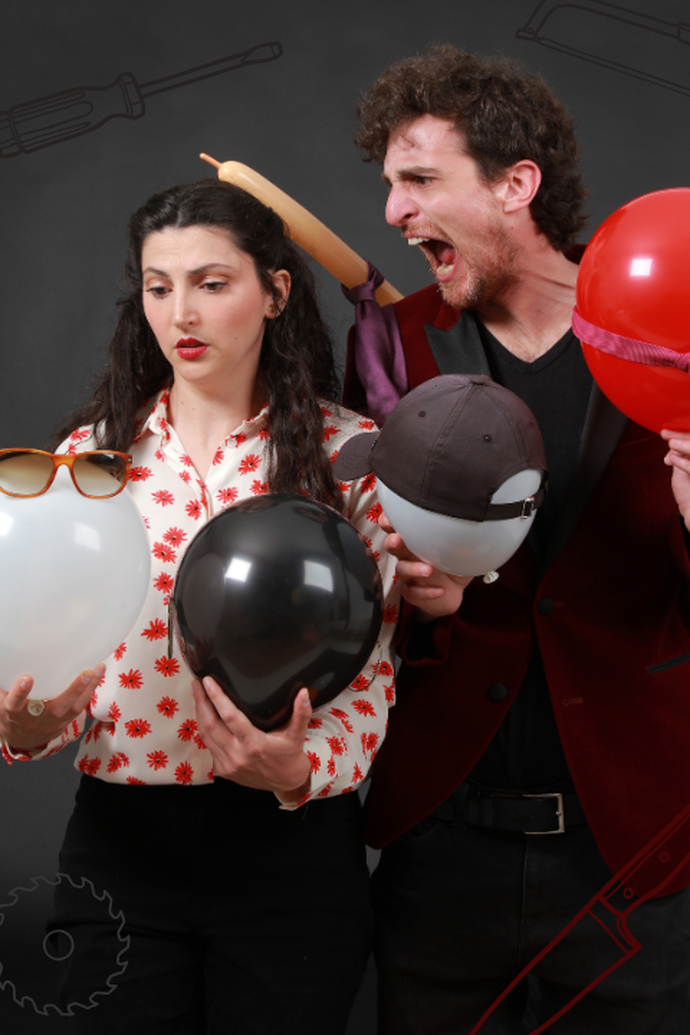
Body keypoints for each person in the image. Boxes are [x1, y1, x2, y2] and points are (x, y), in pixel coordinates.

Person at [341, 44, 690, 1034]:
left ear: (516, 185)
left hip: (633, 852)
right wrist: (408, 590)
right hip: (442, 847)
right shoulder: (389, 346)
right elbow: (347, 575)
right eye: (390, 186)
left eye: (419, 180)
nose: (393, 214)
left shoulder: (672, 329)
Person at [0, 178, 399, 1034]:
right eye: (158, 285)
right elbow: (58, 660)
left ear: (275, 292)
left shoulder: (352, 461)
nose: (181, 311)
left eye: (212, 283)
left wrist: (301, 771)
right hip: (122, 848)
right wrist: (30, 725)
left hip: (292, 858)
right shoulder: (88, 465)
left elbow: (371, 680)